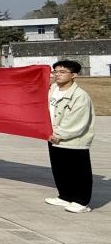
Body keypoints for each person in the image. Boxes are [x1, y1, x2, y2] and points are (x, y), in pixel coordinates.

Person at [46, 60, 96, 213]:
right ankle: (65, 196)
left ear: (73, 75)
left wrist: (60, 134)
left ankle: (82, 201)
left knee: (78, 171)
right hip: (52, 136)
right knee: (60, 169)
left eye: (62, 72)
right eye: (55, 71)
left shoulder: (80, 96)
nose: (57, 75)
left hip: (73, 140)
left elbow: (77, 120)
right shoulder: (52, 89)